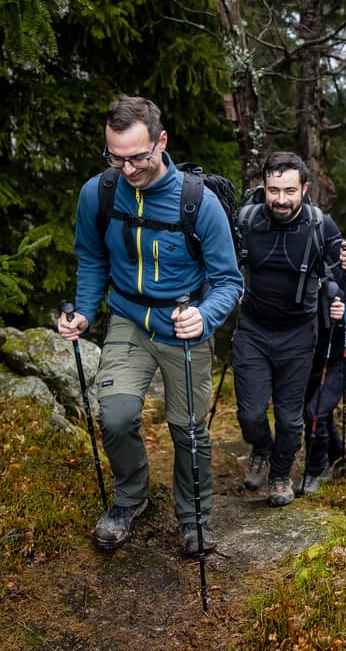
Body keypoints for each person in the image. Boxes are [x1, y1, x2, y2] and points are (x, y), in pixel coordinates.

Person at [57, 94, 243, 554]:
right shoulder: (97, 193)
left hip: (183, 325)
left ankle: (194, 518)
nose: (127, 169)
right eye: (115, 157)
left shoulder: (199, 203)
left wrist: (204, 316)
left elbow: (228, 282)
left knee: (188, 428)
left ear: (162, 141)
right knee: (115, 416)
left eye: (138, 157)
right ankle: (129, 498)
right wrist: (85, 311)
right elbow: (92, 258)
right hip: (128, 318)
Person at [233, 152, 346, 507]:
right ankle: (261, 447)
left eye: (290, 191)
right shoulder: (246, 220)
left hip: (298, 335)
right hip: (253, 331)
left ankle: (279, 475)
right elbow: (220, 264)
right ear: (264, 187)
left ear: (304, 188)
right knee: (250, 414)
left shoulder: (321, 226)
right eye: (273, 190)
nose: (281, 200)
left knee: (290, 420)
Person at [299, 265, 346, 494]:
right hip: (313, 363)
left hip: (338, 363)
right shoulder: (296, 293)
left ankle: (316, 472)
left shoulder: (335, 292)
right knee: (319, 415)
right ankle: (338, 460)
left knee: (315, 413)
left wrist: (343, 318)